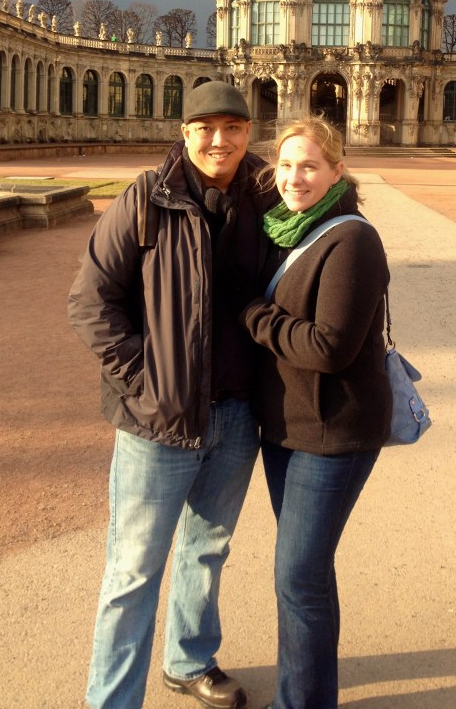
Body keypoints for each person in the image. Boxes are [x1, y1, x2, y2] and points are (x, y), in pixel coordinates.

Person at [68, 81, 274, 709]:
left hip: (237, 414)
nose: (220, 140)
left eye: (233, 128)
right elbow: (90, 302)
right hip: (157, 421)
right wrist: (146, 382)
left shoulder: (271, 198)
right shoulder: (145, 198)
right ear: (184, 132)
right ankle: (112, 700)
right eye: (206, 127)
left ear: (248, 133)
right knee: (132, 572)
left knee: (207, 548)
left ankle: (188, 660)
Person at [238, 117, 392, 709]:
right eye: (285, 165)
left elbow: (330, 348)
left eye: (308, 166)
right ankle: (307, 692)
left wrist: (252, 314)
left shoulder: (352, 240)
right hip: (288, 428)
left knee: (298, 576)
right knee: (307, 572)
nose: (294, 177)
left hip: (335, 432)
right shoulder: (285, 229)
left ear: (336, 171)